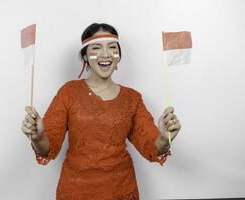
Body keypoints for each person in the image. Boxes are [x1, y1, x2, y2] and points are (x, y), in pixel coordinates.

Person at [21, 23, 181, 200]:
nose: (105, 54)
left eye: (112, 47)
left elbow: (152, 147)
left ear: (118, 56)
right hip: (75, 190)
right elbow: (48, 149)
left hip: (122, 189)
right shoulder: (69, 92)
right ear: (85, 56)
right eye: (96, 48)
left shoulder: (132, 98)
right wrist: (37, 137)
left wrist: (166, 137)